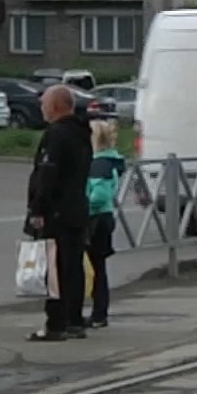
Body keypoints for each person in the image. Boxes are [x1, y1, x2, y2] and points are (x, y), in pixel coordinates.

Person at [25, 86, 92, 342]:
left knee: (53, 269)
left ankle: (56, 324)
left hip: (56, 213)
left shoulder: (56, 134)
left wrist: (37, 209)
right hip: (77, 208)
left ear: (55, 106)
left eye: (43, 104)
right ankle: (74, 320)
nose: (41, 108)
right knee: (73, 267)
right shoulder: (81, 133)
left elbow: (47, 174)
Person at [85, 119, 126, 329]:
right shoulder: (109, 161)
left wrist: (82, 206)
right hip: (104, 217)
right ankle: (98, 312)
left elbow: (99, 195)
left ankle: (98, 313)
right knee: (97, 267)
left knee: (93, 267)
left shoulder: (98, 164)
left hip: (95, 218)